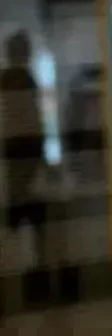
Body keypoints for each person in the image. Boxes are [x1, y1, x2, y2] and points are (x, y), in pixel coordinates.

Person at [0, 32, 47, 259]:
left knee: (18, 206)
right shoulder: (26, 80)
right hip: (26, 149)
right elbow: (34, 120)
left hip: (13, 150)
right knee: (30, 206)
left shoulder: (5, 80)